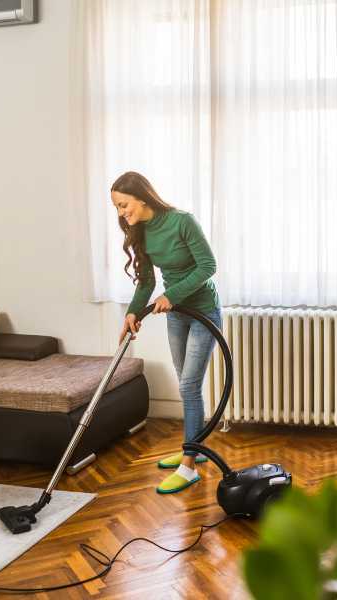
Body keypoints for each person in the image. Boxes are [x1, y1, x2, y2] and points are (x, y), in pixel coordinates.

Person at [112, 171, 221, 493]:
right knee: (187, 384)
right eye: (117, 208)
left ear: (142, 198)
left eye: (124, 205)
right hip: (177, 315)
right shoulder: (141, 232)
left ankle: (189, 467)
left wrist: (171, 295)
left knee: (188, 385)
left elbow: (208, 266)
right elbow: (146, 281)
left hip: (203, 311)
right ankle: (194, 449)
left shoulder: (181, 221)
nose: (121, 213)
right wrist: (133, 311)